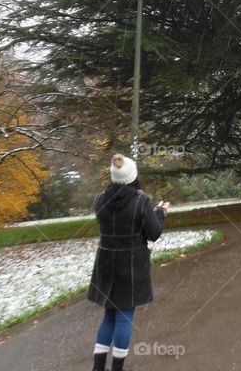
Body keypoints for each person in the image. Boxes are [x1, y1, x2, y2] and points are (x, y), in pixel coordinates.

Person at [88, 154, 170, 371]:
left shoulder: (99, 201)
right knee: (124, 317)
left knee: (109, 316)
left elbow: (118, 223)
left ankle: (98, 368)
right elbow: (153, 233)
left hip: (106, 265)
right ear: (132, 176)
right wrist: (160, 213)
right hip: (131, 266)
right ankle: (117, 368)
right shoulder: (141, 201)